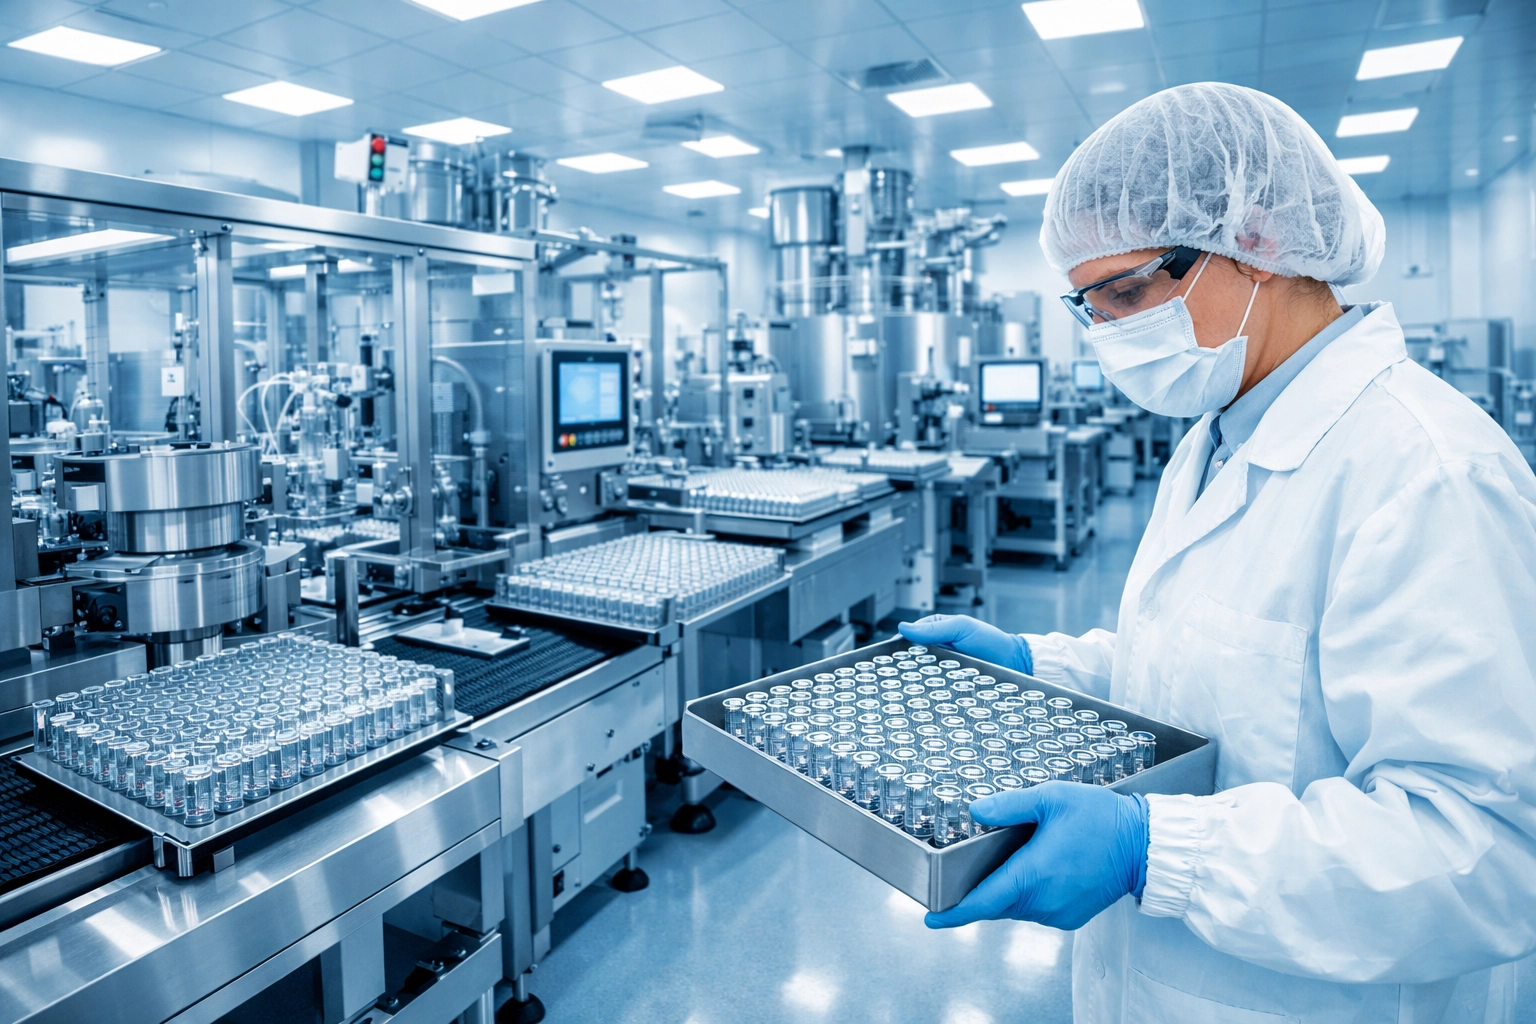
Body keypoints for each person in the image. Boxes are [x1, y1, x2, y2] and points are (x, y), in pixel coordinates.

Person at [902, 82, 1536, 1023]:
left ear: (1263, 239)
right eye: (1090, 306)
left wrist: (1158, 850)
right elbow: (1218, 670)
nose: (1114, 332)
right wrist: (1046, 667)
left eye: (1128, 291)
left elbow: (1487, 847)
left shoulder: (1429, 473)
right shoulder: (1216, 434)